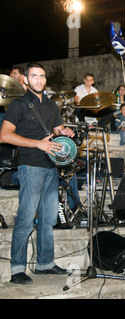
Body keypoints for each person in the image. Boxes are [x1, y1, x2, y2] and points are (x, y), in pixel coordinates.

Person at [0, 62, 74, 284]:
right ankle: (17, 269)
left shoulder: (52, 106)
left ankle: (44, 263)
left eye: (42, 76)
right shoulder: (18, 105)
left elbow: (55, 130)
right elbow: (4, 136)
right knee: (25, 219)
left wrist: (64, 131)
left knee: (48, 219)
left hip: (52, 167)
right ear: (25, 80)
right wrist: (38, 144)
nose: (39, 80)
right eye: (34, 76)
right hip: (30, 166)